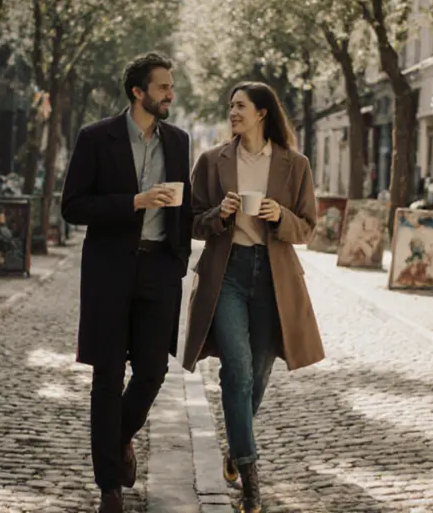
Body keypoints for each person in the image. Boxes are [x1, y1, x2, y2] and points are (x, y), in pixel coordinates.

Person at [182, 82, 325, 513]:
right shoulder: (212, 162)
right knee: (237, 372)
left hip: (273, 279)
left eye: (240, 106)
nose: (233, 113)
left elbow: (307, 227)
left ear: (262, 113)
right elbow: (190, 223)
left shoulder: (294, 165)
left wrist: (280, 215)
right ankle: (250, 477)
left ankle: (235, 447)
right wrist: (219, 215)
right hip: (226, 275)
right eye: (230, 107)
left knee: (258, 378)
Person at [61, 53, 193, 513]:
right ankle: (109, 487)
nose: (170, 94)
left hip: (159, 269)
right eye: (162, 87)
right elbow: (73, 207)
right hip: (110, 270)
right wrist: (133, 202)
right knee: (106, 377)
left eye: (171, 87)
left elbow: (186, 207)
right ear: (138, 92)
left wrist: (179, 260)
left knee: (154, 371)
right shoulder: (96, 138)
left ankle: (117, 441)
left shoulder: (178, 142)